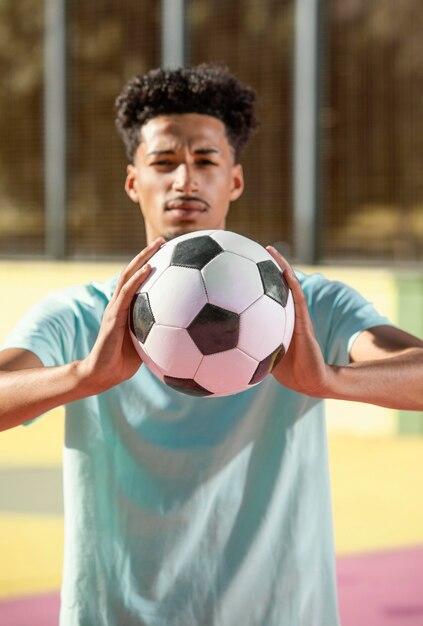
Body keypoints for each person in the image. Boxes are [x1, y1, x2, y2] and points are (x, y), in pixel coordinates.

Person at [1, 64, 422, 626]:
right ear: (133, 182)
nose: (185, 180)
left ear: (235, 180)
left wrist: (332, 381)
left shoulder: (306, 304)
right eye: (163, 162)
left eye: (205, 161)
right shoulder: (79, 316)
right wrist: (84, 377)